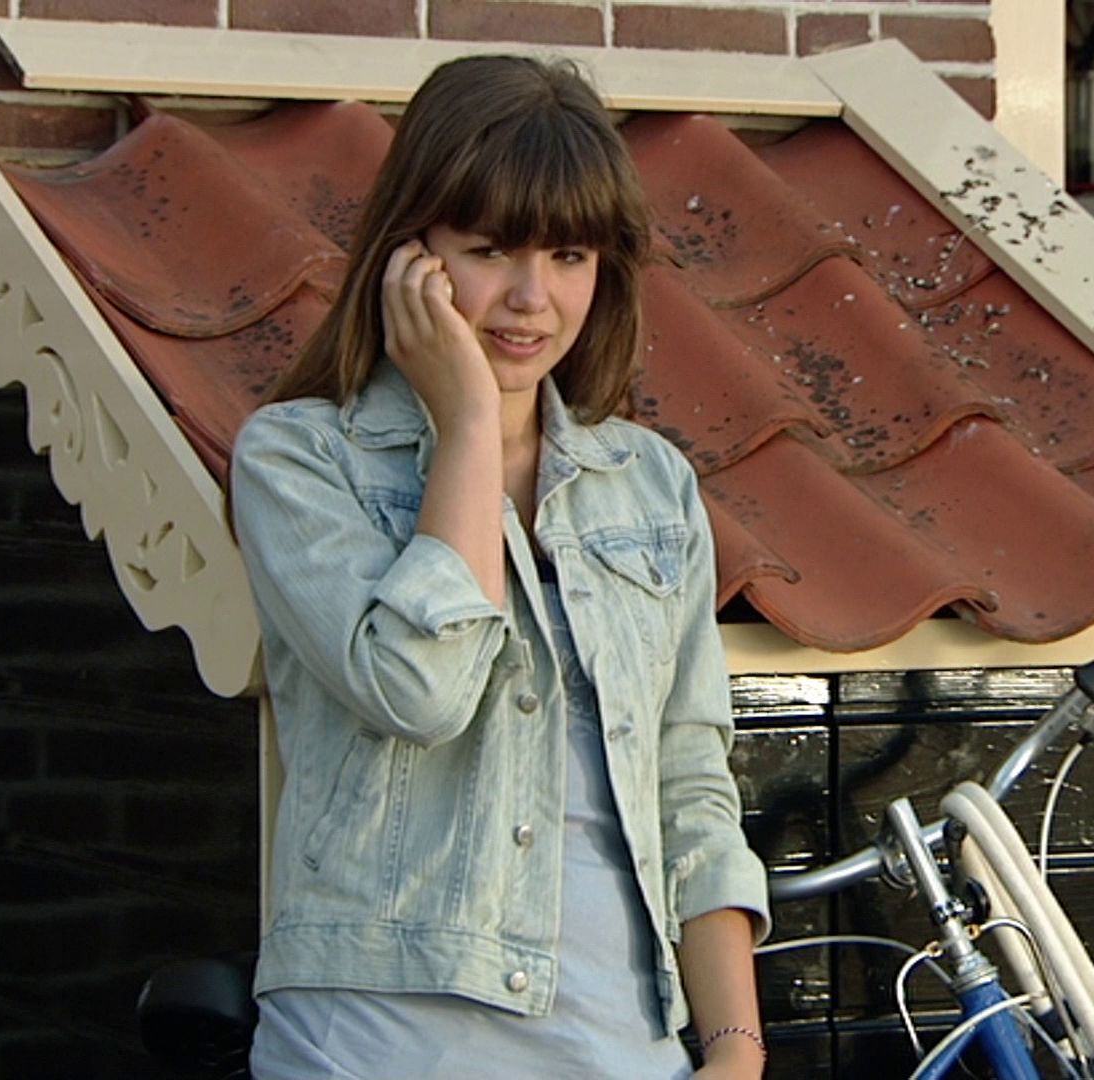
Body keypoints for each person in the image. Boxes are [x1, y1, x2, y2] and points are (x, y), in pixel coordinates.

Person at [229, 55, 772, 1080]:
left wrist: (736, 1051)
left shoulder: (650, 486)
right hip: (377, 1055)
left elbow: (690, 781)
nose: (533, 298)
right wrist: (472, 422)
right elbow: (420, 691)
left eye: (569, 255)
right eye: (489, 250)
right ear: (412, 255)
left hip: (624, 1051)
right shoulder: (302, 460)